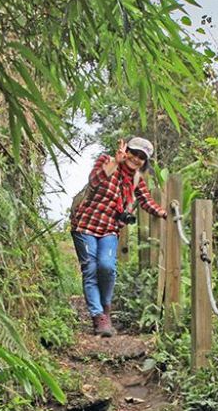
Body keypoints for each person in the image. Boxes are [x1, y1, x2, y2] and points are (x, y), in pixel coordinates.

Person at [71, 137, 167, 337]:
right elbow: (94, 180)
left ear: (144, 161)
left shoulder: (136, 179)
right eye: (134, 153)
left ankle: (105, 308)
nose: (136, 159)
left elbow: (146, 201)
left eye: (141, 157)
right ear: (126, 150)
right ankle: (98, 317)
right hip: (85, 226)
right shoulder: (107, 161)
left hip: (109, 230)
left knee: (107, 267)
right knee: (90, 269)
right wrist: (116, 161)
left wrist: (163, 213)